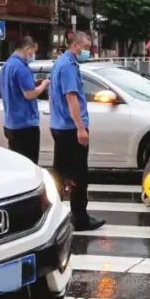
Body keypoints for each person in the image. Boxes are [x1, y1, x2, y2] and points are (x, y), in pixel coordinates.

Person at [49, 31, 105, 231]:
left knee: (61, 172)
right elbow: (71, 98)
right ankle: (80, 217)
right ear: (76, 46)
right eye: (87, 48)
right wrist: (81, 128)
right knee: (79, 174)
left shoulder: (60, 63)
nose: (88, 52)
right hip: (70, 128)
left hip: (59, 125)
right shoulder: (68, 67)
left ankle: (53, 213)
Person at [0, 37, 48, 165]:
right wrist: (43, 85)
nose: (33, 56)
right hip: (25, 124)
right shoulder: (21, 67)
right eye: (32, 52)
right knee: (29, 165)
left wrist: (33, 85)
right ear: (27, 49)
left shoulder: (6, 66)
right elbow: (30, 94)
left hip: (11, 123)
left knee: (17, 165)